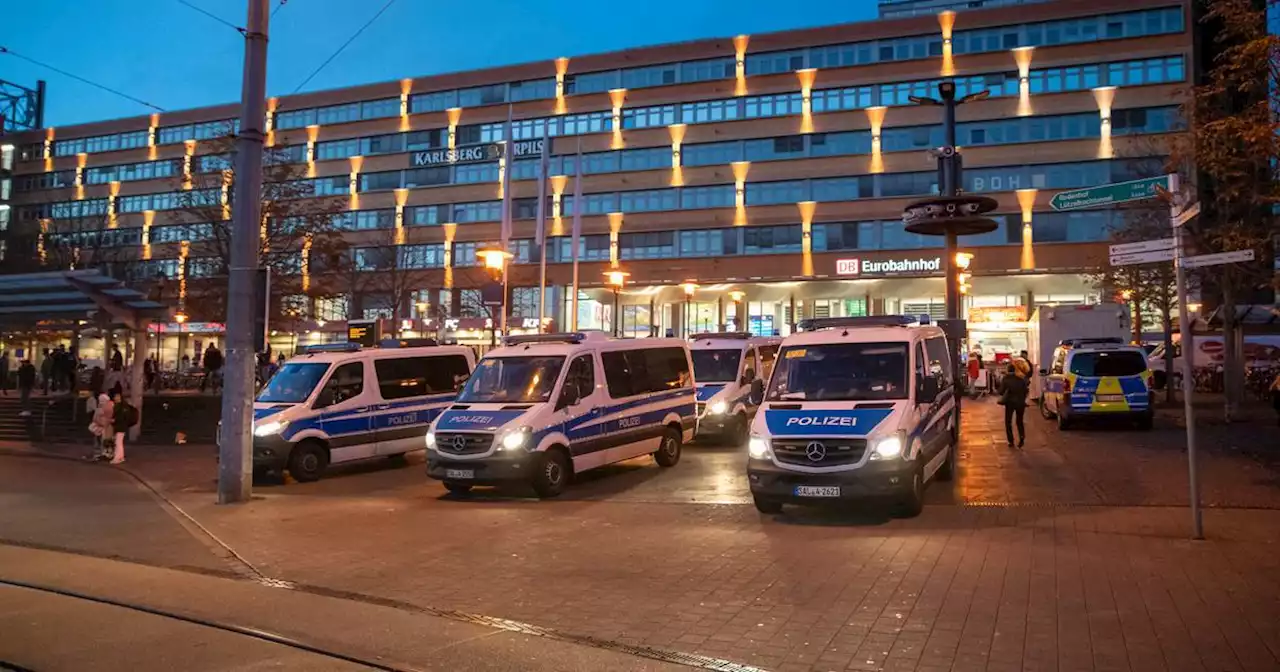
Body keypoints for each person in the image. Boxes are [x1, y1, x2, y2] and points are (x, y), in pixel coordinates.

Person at [999, 363, 1029, 447]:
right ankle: (1022, 436)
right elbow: (1026, 390)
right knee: (1019, 421)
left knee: (1008, 421)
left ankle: (1011, 441)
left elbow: (1001, 391)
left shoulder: (1006, 379)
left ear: (1008, 370)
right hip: (1020, 403)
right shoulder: (1020, 379)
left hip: (1010, 403)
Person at [109, 386, 135, 465]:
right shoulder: (123, 405)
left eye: (116, 397)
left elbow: (121, 417)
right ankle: (121, 456)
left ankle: (117, 458)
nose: (115, 398)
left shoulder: (120, 406)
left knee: (118, 442)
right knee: (119, 442)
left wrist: (114, 420)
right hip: (121, 426)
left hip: (120, 426)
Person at [88, 390, 114, 461]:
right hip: (106, 426)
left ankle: (102, 454)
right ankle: (107, 454)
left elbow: (96, 417)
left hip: (101, 426)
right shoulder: (111, 406)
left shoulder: (102, 407)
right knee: (106, 441)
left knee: (101, 441)